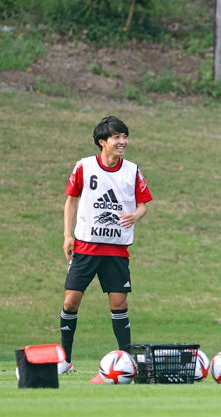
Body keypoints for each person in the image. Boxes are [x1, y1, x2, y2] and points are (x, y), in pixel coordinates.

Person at [58, 116, 152, 375]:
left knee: (119, 305)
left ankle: (127, 361)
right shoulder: (84, 166)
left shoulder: (132, 170)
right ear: (102, 141)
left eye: (125, 136)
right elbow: (71, 200)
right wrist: (68, 235)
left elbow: (143, 204)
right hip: (86, 247)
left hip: (116, 250)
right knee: (70, 302)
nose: (123, 141)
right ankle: (65, 360)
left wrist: (136, 215)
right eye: (117, 137)